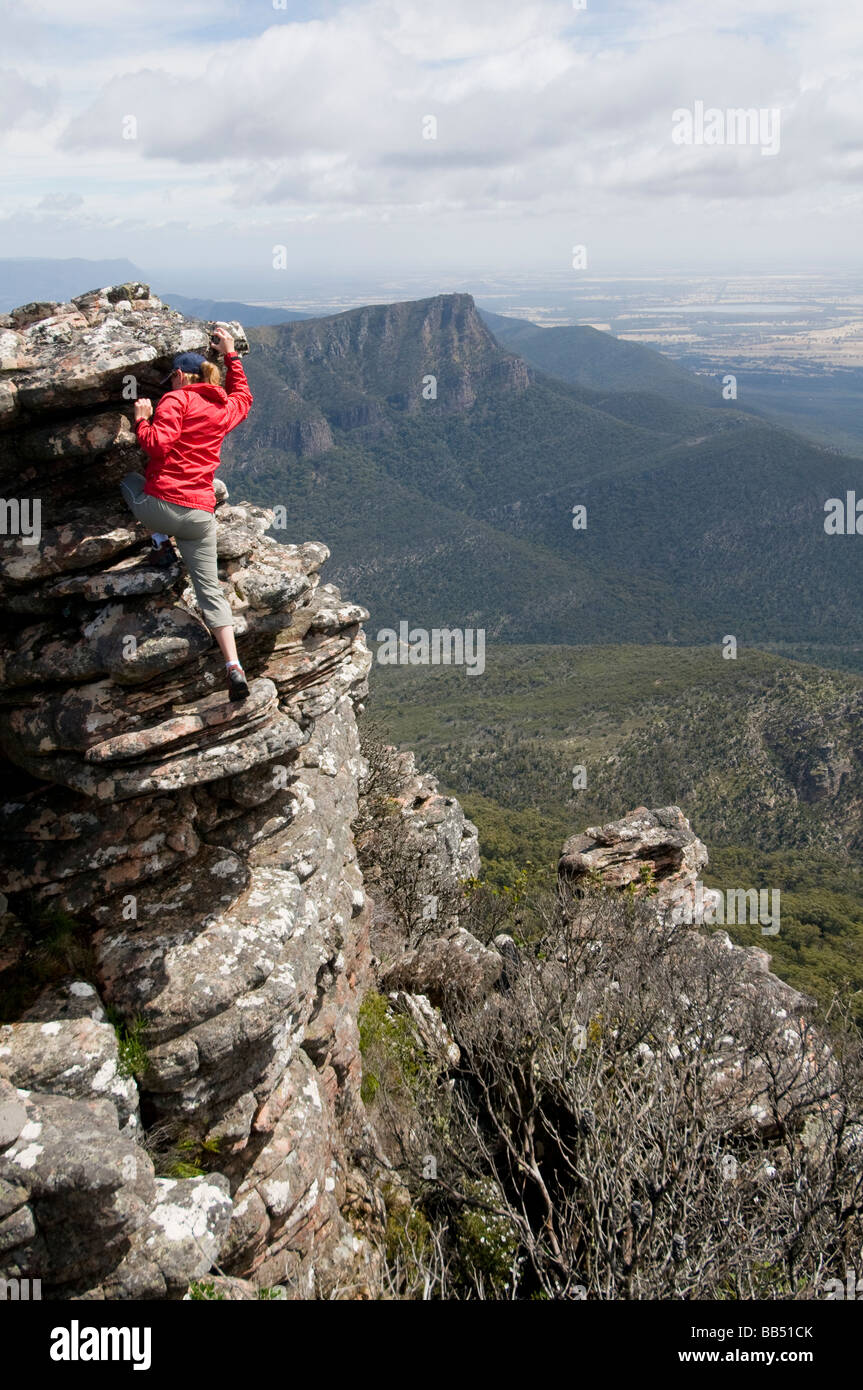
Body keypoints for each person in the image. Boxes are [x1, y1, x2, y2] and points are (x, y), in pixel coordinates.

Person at [121, 326, 254, 701]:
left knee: (129, 482)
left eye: (171, 379)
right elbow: (243, 397)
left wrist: (142, 419)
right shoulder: (221, 406)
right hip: (199, 516)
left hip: (160, 509)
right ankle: (234, 666)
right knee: (210, 591)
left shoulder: (174, 401)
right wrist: (231, 353)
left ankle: (161, 546)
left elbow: (157, 447)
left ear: (180, 376)